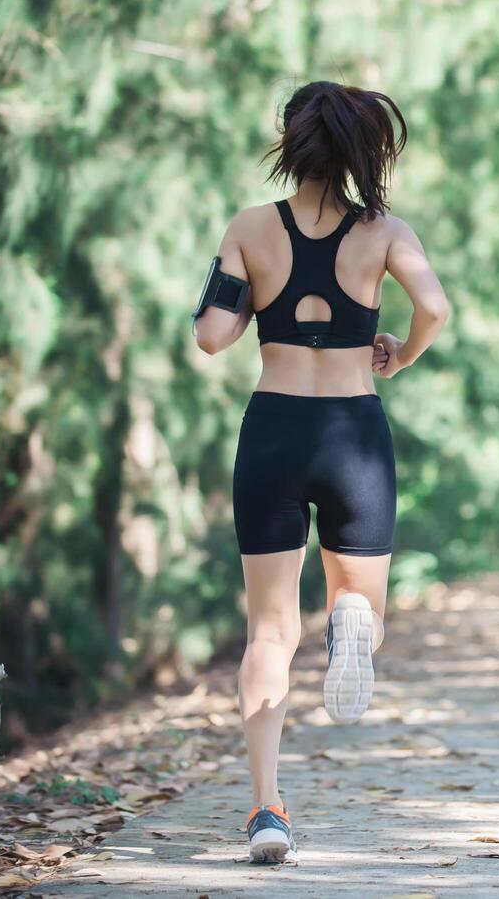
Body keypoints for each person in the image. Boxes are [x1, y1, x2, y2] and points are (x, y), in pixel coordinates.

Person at [191, 81, 450, 863]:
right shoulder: (383, 233)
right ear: (363, 152)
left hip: (272, 430)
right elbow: (434, 307)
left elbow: (211, 337)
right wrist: (399, 352)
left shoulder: (249, 228)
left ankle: (267, 809)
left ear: (292, 141)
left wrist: (247, 294)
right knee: (360, 610)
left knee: (268, 631)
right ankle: (352, 627)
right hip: (353, 435)